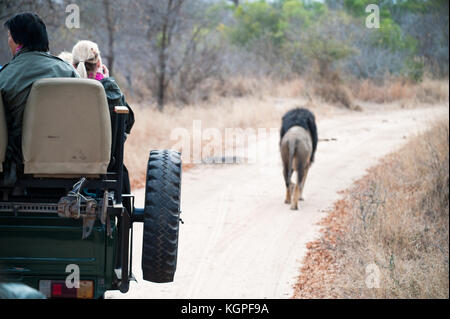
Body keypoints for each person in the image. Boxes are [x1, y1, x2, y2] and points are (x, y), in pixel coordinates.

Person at [0, 13, 79, 186]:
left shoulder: (4, 76)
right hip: (67, 159)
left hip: (18, 166)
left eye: (9, 37)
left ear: (18, 41)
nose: (8, 41)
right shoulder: (68, 72)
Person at [71, 40, 135, 212]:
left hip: (64, 166)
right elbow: (127, 125)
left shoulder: (61, 91)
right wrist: (107, 82)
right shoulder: (110, 91)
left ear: (72, 64)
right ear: (99, 64)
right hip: (105, 168)